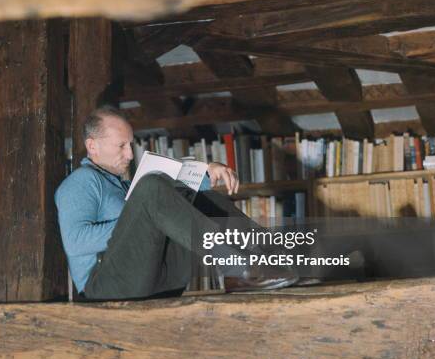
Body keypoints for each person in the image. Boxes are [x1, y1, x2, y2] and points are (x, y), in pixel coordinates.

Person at [54, 105, 298, 300]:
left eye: (131, 145)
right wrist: (137, 220)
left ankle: (274, 258)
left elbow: (174, 200)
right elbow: (75, 243)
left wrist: (208, 171)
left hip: (155, 278)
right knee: (150, 187)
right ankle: (233, 265)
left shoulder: (124, 184)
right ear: (92, 146)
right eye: (121, 146)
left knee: (201, 199)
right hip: (104, 287)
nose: (129, 155)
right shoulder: (80, 183)